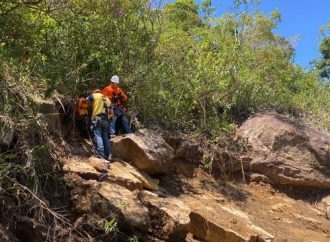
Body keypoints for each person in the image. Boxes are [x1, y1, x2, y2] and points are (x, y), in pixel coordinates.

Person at [87, 89, 112, 160]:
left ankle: (101, 154)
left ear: (95, 92)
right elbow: (111, 112)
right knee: (105, 137)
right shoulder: (107, 99)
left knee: (98, 135)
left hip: (97, 118)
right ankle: (110, 154)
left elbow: (85, 100)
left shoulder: (94, 95)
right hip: (106, 120)